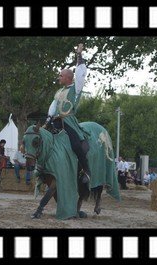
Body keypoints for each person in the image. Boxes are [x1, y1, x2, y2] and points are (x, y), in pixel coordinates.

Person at [45, 43, 91, 183]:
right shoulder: (59, 92)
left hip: (68, 121)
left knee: (76, 145)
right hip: (55, 121)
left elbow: (81, 72)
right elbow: (53, 108)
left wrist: (79, 55)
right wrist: (47, 121)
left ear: (68, 78)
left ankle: (86, 171)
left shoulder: (76, 89)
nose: (59, 77)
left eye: (61, 75)